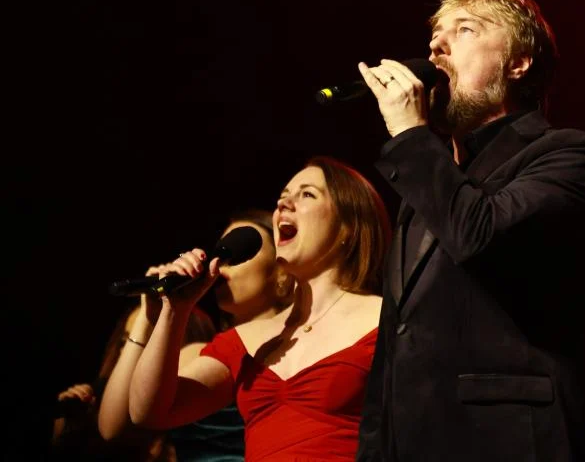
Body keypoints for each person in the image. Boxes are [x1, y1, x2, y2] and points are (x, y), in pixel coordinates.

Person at [355, 0, 585, 461]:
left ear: (518, 63)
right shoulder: (428, 180)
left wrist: (411, 135)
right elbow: (395, 344)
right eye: (435, 36)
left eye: (465, 30)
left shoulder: (565, 154)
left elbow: (479, 235)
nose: (436, 47)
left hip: (504, 440)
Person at [127, 158, 390, 461]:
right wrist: (175, 311)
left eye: (307, 194)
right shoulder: (247, 341)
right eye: (283, 196)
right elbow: (148, 411)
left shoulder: (386, 320)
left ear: (349, 226)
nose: (283, 204)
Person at [97, 210, 294, 461]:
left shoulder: (304, 347)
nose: (221, 265)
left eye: (239, 251)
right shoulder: (200, 355)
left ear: (282, 270)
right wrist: (149, 316)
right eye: (222, 251)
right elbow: (113, 428)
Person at [50, 302, 217, 461]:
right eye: (126, 341)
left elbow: (114, 433)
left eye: (147, 341)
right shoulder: (97, 396)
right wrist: (70, 423)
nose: (129, 353)